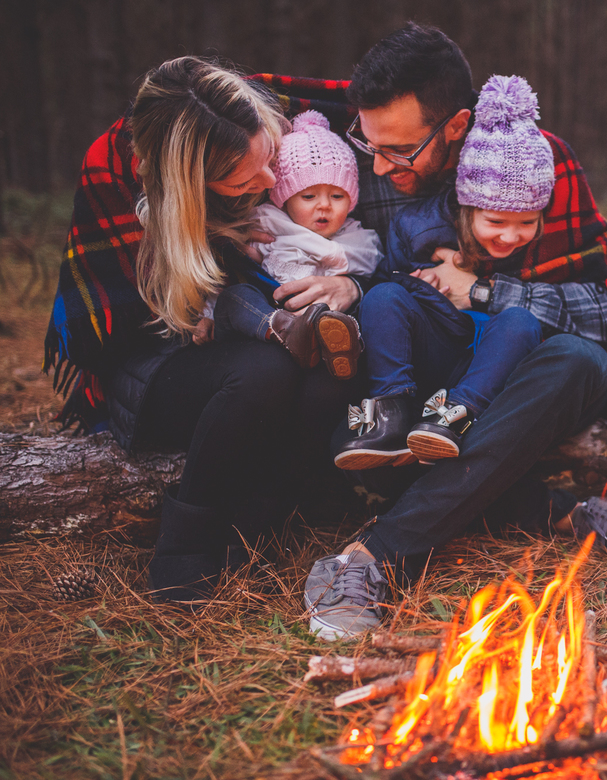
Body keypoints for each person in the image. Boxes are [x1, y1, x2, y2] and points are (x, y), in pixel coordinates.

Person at [303, 23, 607, 641]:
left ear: (456, 126)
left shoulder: (536, 160)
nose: (380, 166)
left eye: (400, 151)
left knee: (577, 360)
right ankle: (559, 512)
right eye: (370, 144)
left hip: (524, 386)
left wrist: (485, 292)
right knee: (360, 430)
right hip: (421, 396)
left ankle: (371, 557)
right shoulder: (360, 165)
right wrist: (354, 287)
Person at [43, 57, 366, 601]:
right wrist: (210, 260)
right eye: (244, 179)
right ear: (189, 189)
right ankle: (183, 549)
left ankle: (254, 534)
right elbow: (105, 332)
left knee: (328, 370)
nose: (271, 182)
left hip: (262, 324)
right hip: (159, 351)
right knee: (263, 370)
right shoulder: (116, 166)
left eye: (269, 156)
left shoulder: (247, 109)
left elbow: (387, 105)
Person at [335, 74, 556, 469]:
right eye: (495, 221)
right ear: (467, 205)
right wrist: (417, 286)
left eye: (527, 222)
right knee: (384, 296)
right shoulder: (416, 226)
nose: (511, 236)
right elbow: (386, 297)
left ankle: (450, 421)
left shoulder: (543, 243)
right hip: (435, 342)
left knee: (520, 320)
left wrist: (481, 289)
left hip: (493, 358)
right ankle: (390, 412)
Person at [207, 110, 375, 379]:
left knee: (348, 317)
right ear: (284, 199)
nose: (324, 205)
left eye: (337, 196)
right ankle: (286, 331)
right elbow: (227, 270)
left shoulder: (356, 237)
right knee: (236, 296)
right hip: (270, 312)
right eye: (308, 196)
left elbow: (369, 261)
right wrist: (206, 315)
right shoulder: (267, 223)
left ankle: (334, 345)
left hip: (326, 314)